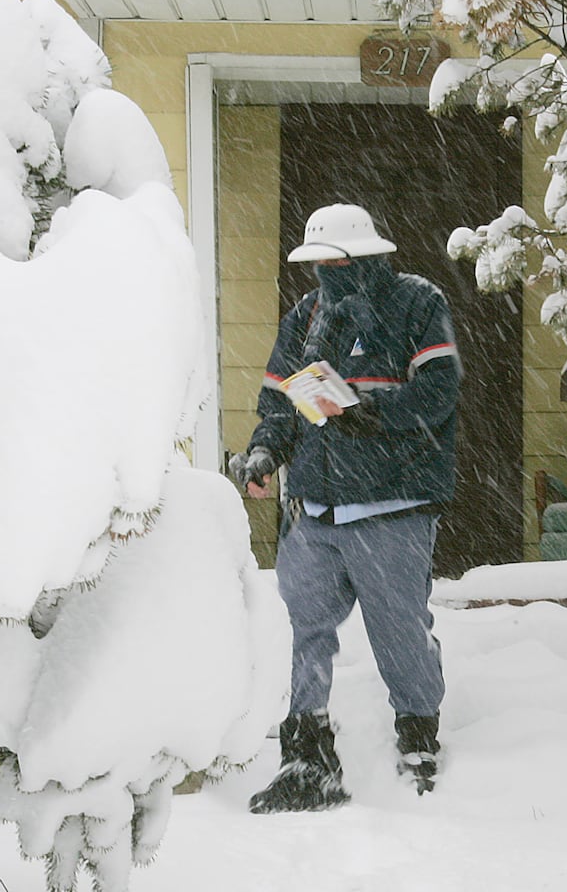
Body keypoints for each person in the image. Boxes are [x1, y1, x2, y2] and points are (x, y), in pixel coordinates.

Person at [227, 203, 460, 813]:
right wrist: (265, 451)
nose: (323, 274)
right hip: (319, 505)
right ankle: (307, 747)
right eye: (315, 263)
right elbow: (281, 398)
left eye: (333, 262)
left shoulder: (417, 302)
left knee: (398, 629)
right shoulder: (306, 317)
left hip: (393, 504)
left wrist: (367, 416)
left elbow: (439, 392)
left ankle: (417, 730)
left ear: (364, 257)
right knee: (306, 626)